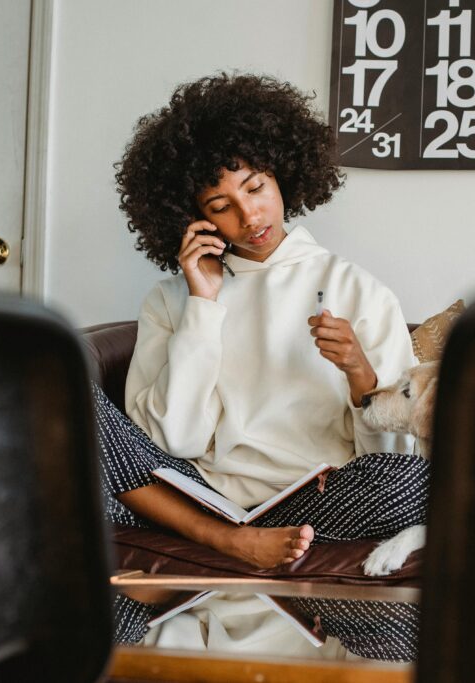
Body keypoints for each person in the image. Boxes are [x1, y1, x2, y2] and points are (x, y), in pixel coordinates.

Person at [96, 73, 427, 571]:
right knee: (57, 391)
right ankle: (229, 539)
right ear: (192, 216)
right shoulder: (169, 301)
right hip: (197, 495)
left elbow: (394, 450)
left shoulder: (358, 288)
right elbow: (169, 444)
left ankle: (237, 536)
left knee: (415, 483)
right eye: (220, 206)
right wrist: (202, 305)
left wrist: (359, 370)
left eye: (256, 188)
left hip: (314, 502)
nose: (249, 216)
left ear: (283, 176)